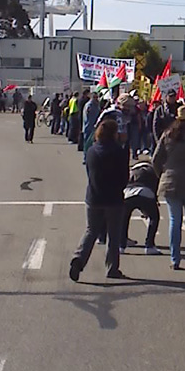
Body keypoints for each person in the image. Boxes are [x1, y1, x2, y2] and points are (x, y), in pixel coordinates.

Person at [69, 118, 129, 281]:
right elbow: (124, 177)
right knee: (114, 235)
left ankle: (79, 258)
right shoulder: (119, 152)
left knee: (91, 231)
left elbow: (89, 172)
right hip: (114, 198)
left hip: (94, 196)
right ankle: (112, 268)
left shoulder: (92, 151)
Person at [152, 104, 185, 269]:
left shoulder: (167, 135)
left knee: (174, 221)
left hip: (171, 181)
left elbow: (156, 159)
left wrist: (161, 174)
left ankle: (175, 259)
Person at [120, 159, 162, 255]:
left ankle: (121, 245)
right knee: (154, 217)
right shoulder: (153, 170)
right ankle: (149, 245)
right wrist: (155, 200)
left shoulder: (132, 170)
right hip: (146, 193)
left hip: (128, 193)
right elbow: (156, 187)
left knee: (124, 218)